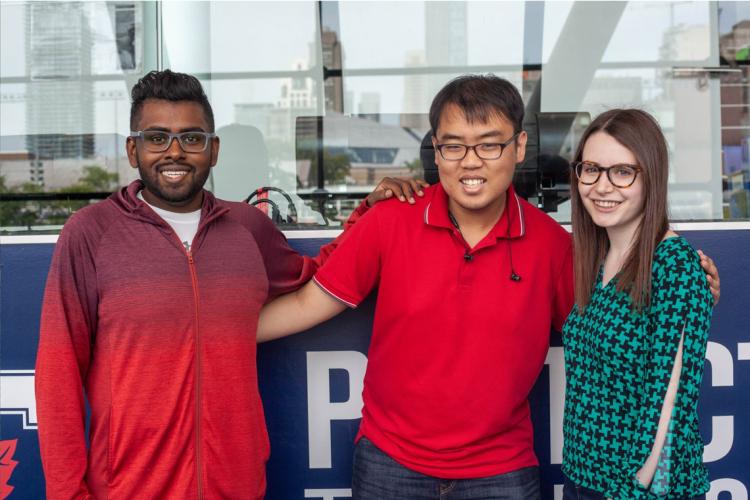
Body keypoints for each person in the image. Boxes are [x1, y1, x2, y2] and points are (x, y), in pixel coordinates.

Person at [257, 76, 721, 500]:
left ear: (519, 147)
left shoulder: (555, 248)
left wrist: (685, 290)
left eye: (489, 145)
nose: (471, 162)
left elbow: (617, 325)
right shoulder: (390, 221)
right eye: (454, 147)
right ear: (435, 151)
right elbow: (304, 304)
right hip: (389, 465)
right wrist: (200, 336)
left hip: (503, 473)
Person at [34, 69, 423, 499]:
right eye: (157, 137)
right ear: (133, 149)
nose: (175, 152)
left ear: (213, 150)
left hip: (235, 485)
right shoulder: (90, 233)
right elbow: (58, 376)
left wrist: (368, 210)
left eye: (192, 138)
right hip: (129, 488)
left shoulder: (247, 227)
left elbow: (316, 275)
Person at [562, 109, 713, 499]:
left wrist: (634, 488)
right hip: (587, 478)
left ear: (651, 177)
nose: (601, 186)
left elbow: (670, 402)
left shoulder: (674, 267)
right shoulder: (599, 259)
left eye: (623, 172)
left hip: (635, 489)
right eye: (591, 169)